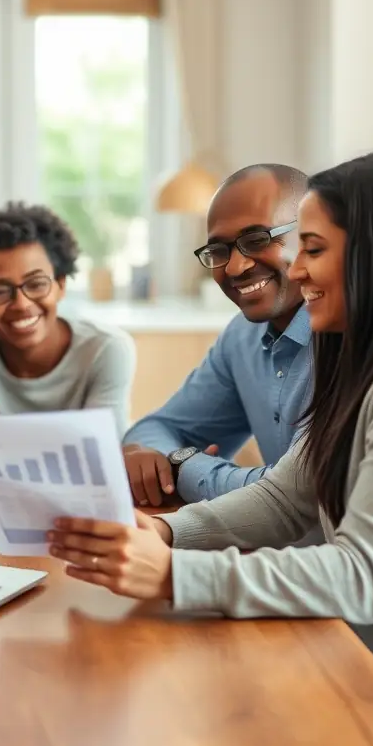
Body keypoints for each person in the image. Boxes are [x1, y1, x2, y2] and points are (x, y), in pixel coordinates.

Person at [48, 149, 373, 724]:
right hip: (359, 670)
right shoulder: (360, 358)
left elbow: (363, 576)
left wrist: (171, 573)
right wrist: (164, 530)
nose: (298, 269)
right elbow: (287, 497)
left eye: (313, 249)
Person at [122, 163, 311, 507]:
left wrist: (186, 468)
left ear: (312, 236)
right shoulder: (242, 338)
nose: (235, 267)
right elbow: (152, 431)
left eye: (257, 240)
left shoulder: (352, 338)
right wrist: (157, 456)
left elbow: (298, 494)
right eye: (219, 251)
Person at [0, 202, 136, 436]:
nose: (21, 304)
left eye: (36, 284)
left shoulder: (105, 349)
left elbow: (104, 446)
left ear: (60, 286)